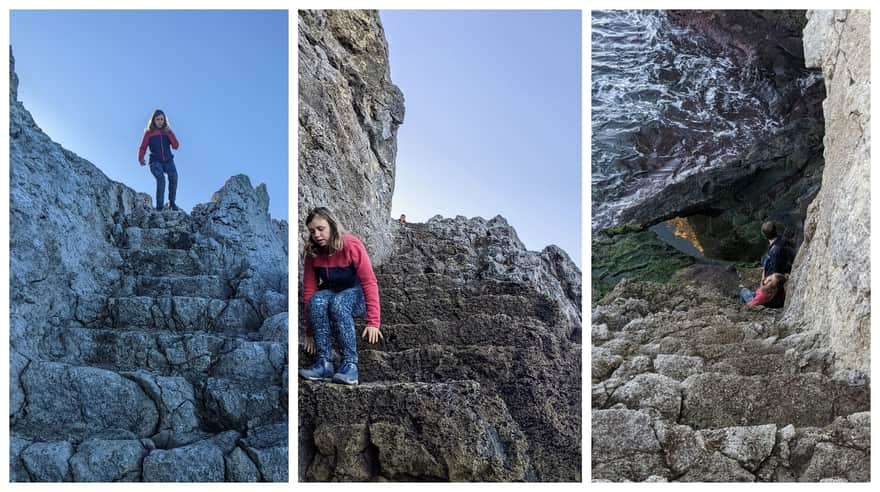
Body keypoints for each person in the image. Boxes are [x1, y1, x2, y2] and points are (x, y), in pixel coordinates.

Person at [299, 207, 383, 385]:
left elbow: (369, 282)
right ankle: (324, 363)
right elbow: (309, 291)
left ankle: (350, 365)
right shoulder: (313, 252)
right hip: (333, 292)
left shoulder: (351, 245)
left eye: (321, 229)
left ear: (332, 225)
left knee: (338, 303)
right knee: (317, 301)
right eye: (312, 231)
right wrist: (309, 332)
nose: (317, 235)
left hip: (356, 295)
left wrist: (373, 321)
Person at [138, 109, 180, 211]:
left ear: (165, 120)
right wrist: (141, 158)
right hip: (155, 161)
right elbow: (143, 147)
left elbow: (176, 146)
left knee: (174, 177)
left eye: (162, 119)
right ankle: (160, 207)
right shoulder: (149, 133)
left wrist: (169, 133)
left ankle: (172, 203)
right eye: (157, 119)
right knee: (161, 179)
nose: (160, 121)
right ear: (153, 121)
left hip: (168, 161)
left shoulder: (167, 132)